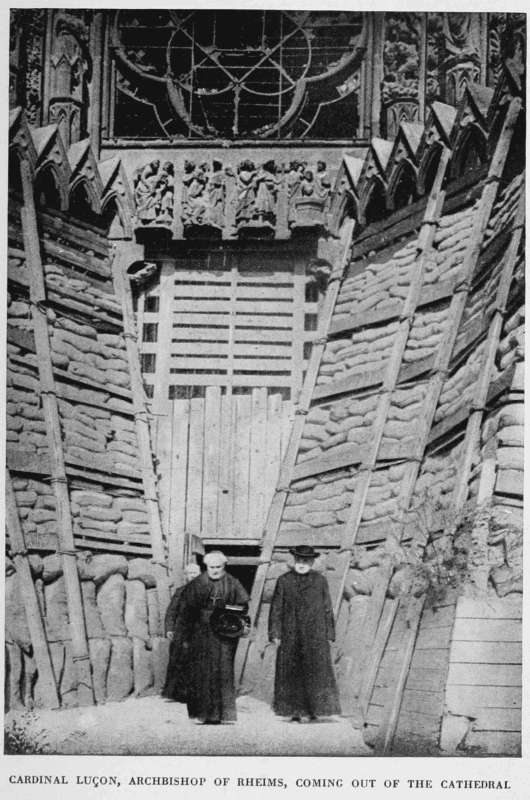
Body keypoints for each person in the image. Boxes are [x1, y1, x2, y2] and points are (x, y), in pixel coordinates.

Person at [269, 544, 341, 722]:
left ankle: (312, 711)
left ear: (311, 562)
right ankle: (293, 711)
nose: (301, 563)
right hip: (290, 633)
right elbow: (276, 609)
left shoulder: (320, 581)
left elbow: (326, 609)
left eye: (306, 560)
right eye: (299, 560)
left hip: (314, 634)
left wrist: (330, 634)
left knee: (314, 671)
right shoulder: (284, 581)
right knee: (291, 671)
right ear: (294, 561)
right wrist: (275, 633)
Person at [175, 550, 249, 724]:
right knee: (200, 673)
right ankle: (200, 714)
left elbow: (243, 605)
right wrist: (184, 636)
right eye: (211, 567)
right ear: (206, 566)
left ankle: (223, 715)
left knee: (223, 672)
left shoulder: (233, 583)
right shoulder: (197, 583)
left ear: (224, 566)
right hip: (200, 633)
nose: (215, 570)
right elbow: (186, 612)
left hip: (224, 634)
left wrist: (233, 616)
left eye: (218, 567)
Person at [162, 562, 201, 701]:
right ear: (186, 576)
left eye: (195, 573)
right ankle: (175, 694)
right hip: (182, 632)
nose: (192, 576)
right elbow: (171, 611)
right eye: (190, 573)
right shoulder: (180, 591)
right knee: (178, 661)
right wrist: (169, 628)